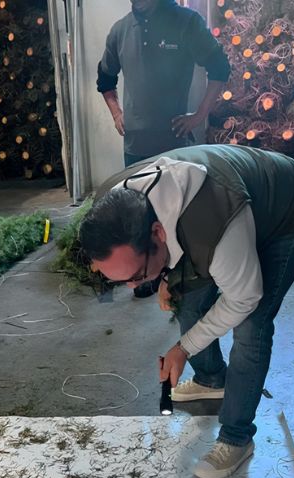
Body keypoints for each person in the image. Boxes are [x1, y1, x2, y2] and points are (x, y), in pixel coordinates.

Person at [78, 145, 294, 478]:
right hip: (226, 213)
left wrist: (183, 347)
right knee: (188, 301)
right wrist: (161, 277)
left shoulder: (215, 228)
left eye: (136, 276)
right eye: (122, 281)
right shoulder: (112, 209)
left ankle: (237, 437)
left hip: (285, 209)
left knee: (252, 324)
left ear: (158, 235)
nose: (133, 289)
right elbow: (167, 262)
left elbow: (244, 298)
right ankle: (211, 379)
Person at [97, 0, 229, 298]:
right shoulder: (119, 31)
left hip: (174, 145)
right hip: (135, 146)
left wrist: (198, 116)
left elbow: (220, 67)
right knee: (138, 216)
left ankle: (186, 275)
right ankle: (146, 275)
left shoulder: (186, 22)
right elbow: (105, 78)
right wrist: (117, 114)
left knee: (182, 215)